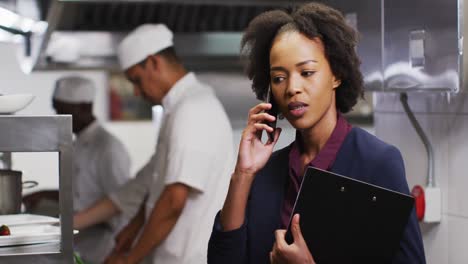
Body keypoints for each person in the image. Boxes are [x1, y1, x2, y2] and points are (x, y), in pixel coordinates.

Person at [207, 3, 426, 264]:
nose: (292, 88)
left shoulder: (377, 162)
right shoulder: (265, 172)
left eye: (307, 72)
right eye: (279, 78)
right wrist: (243, 174)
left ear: (337, 74)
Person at [74, 24, 234, 264]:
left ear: (153, 63)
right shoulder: (177, 109)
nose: (136, 92)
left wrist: (130, 260)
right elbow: (153, 185)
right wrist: (134, 229)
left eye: (136, 81)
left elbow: (173, 200)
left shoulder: (194, 109)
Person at [23, 76, 132, 264]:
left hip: (102, 246)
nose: (57, 115)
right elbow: (81, 193)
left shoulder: (108, 148)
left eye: (62, 110)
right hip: (81, 239)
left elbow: (120, 203)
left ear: (83, 108)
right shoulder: (78, 142)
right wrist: (44, 194)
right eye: (56, 108)